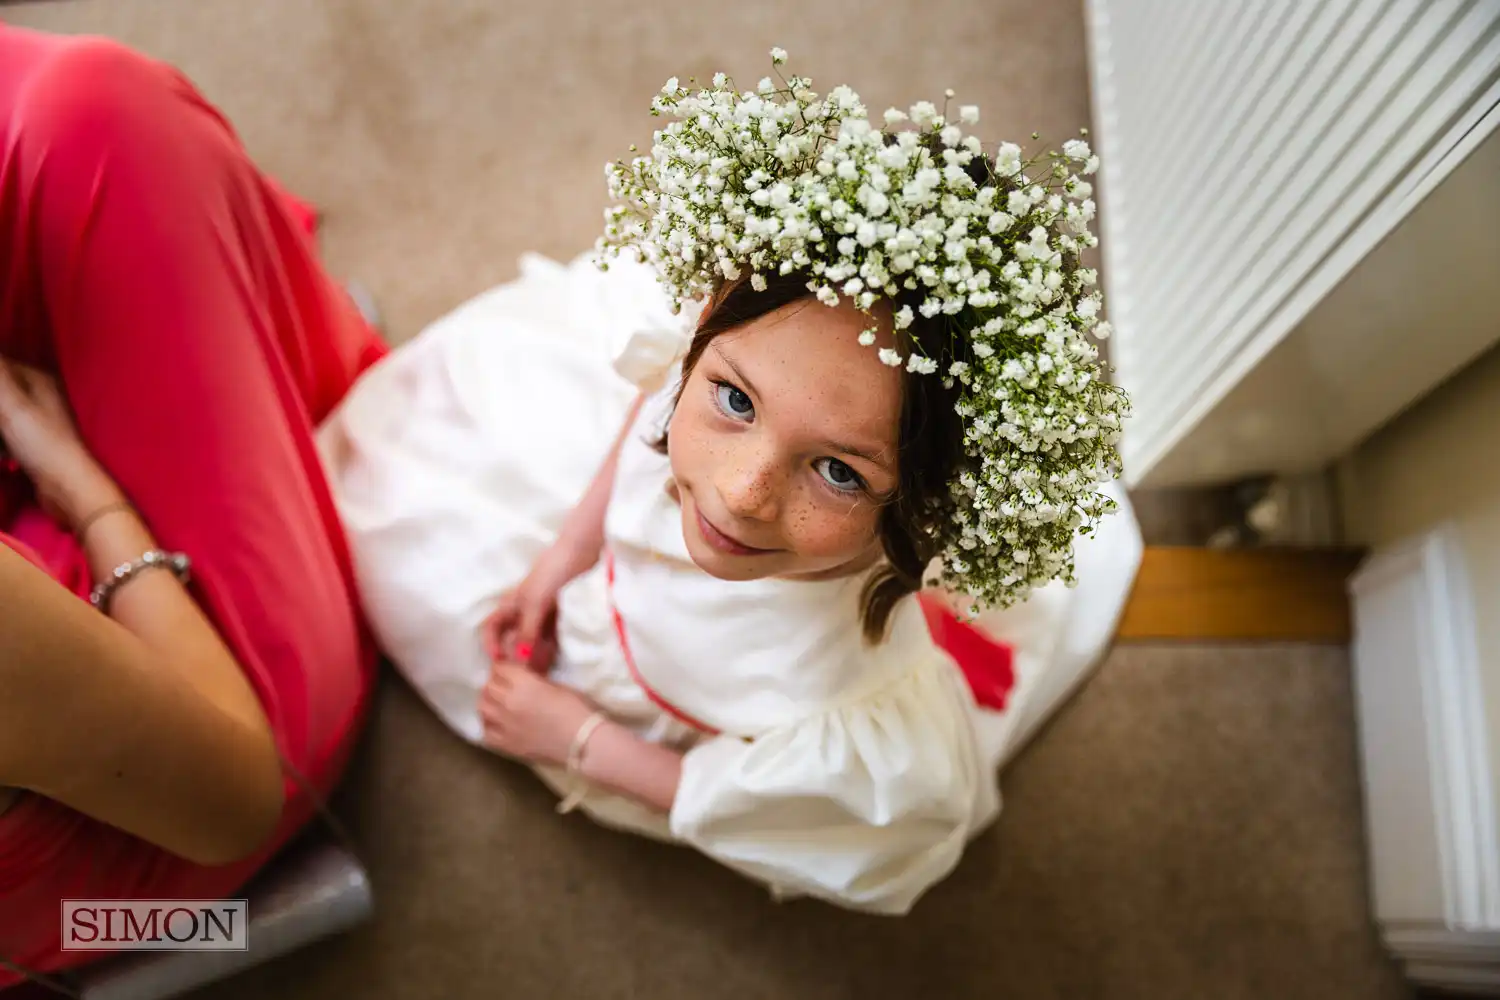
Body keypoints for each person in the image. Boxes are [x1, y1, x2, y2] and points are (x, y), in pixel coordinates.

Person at [316, 54, 1139, 915]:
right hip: (622, 589)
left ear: (924, 505)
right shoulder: (704, 379)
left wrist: (584, 739)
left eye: (838, 472)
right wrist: (564, 553)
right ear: (707, 327)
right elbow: (647, 423)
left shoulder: (843, 688)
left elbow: (773, 802)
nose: (741, 492)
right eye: (736, 400)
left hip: (708, 690)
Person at [0, 26, 383, 987]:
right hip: (167, 813)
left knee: (63, 105)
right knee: (110, 120)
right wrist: (86, 493)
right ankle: (291, 361)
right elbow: (234, 795)